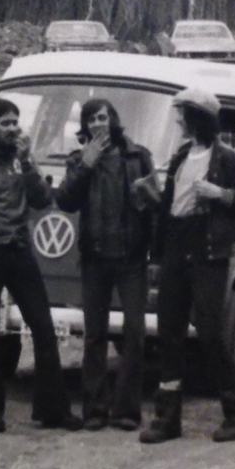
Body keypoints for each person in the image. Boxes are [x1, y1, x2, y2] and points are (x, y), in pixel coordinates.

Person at [138, 86, 235, 444]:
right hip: (175, 247)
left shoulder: (228, 158)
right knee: (169, 331)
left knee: (210, 330)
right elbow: (171, 205)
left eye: (182, 113)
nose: (178, 119)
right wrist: (149, 197)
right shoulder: (181, 156)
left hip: (208, 251)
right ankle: (167, 419)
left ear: (198, 117)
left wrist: (222, 194)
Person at [0, 98, 83, 432]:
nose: (12, 129)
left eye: (15, 122)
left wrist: (27, 162)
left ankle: (53, 409)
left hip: (19, 249)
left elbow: (42, 200)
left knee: (42, 324)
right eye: (5, 123)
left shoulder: (20, 160)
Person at [54, 98, 156, 431]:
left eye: (103, 117)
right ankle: (95, 410)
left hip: (132, 258)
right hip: (95, 258)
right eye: (92, 119)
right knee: (94, 336)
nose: (98, 123)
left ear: (113, 119)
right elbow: (65, 201)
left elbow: (154, 203)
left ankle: (126, 411)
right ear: (85, 126)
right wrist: (86, 165)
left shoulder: (138, 156)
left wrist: (154, 248)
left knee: (135, 334)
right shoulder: (78, 159)